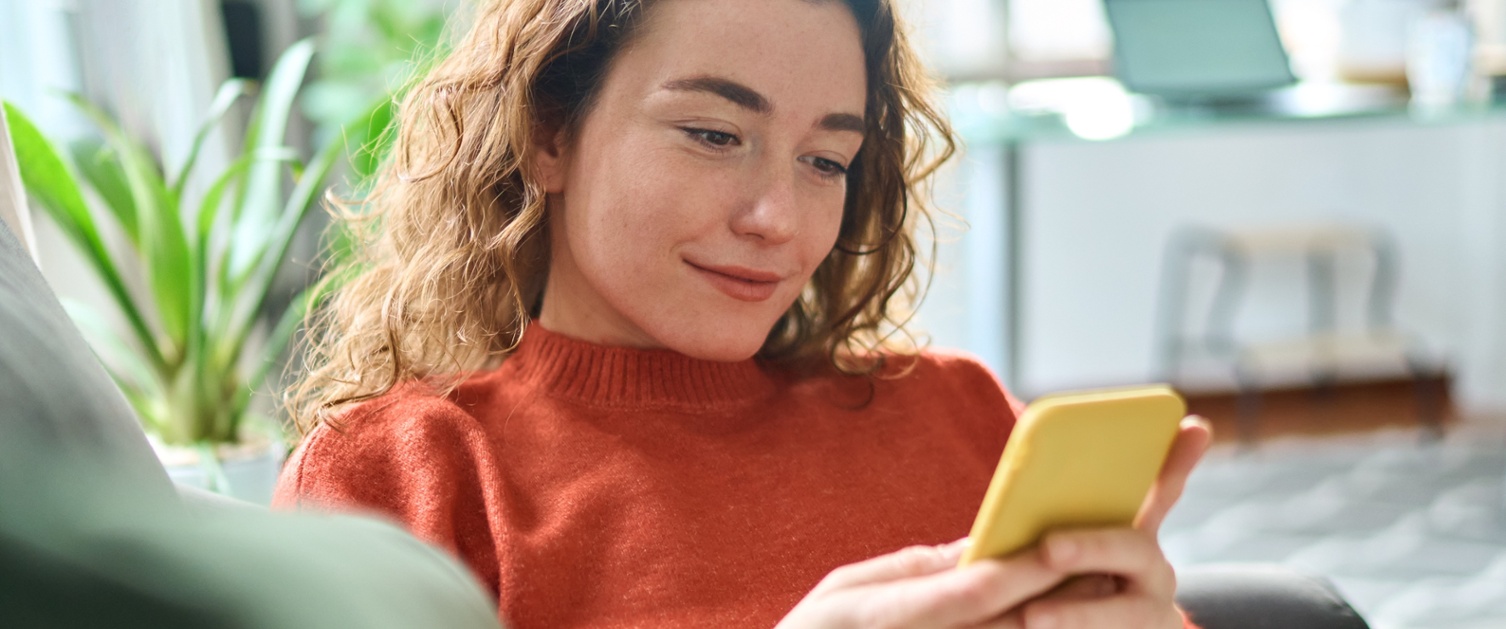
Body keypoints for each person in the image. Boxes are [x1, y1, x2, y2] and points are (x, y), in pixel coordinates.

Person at [272, 0, 1213, 627]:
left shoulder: (957, 412)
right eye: (716, 135)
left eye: (825, 161)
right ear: (547, 133)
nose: (777, 220)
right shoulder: (406, 476)